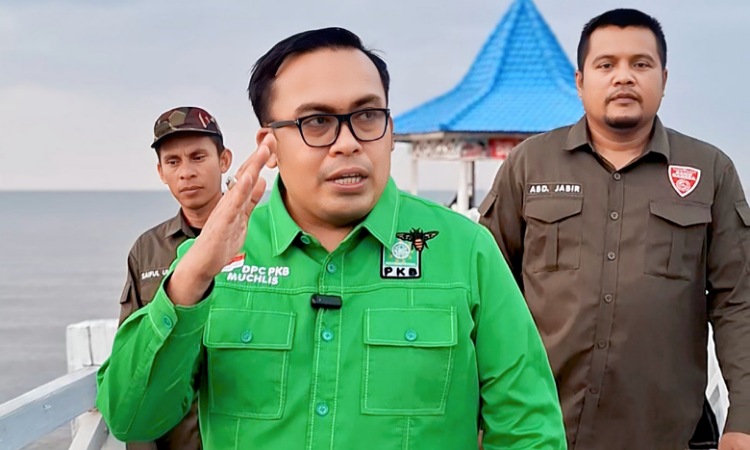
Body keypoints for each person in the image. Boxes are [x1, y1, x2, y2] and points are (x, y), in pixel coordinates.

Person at [97, 27, 566, 449]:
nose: (348, 142)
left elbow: (528, 430)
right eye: (316, 122)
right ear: (269, 145)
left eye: (367, 115)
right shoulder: (211, 262)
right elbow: (132, 417)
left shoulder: (466, 251)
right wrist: (192, 279)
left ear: (389, 131)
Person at [479, 8, 750, 450]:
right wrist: (477, 414)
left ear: (664, 79)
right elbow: (483, 295)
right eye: (606, 65)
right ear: (580, 80)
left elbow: (737, 302)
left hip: (664, 433)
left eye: (640, 64)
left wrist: (744, 419)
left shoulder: (710, 171)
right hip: (537, 430)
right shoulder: (529, 164)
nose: (624, 77)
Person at [117, 106, 232, 449]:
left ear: (223, 160)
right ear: (161, 172)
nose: (186, 172)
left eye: (198, 157)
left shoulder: (263, 238)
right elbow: (134, 361)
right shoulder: (147, 250)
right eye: (173, 161)